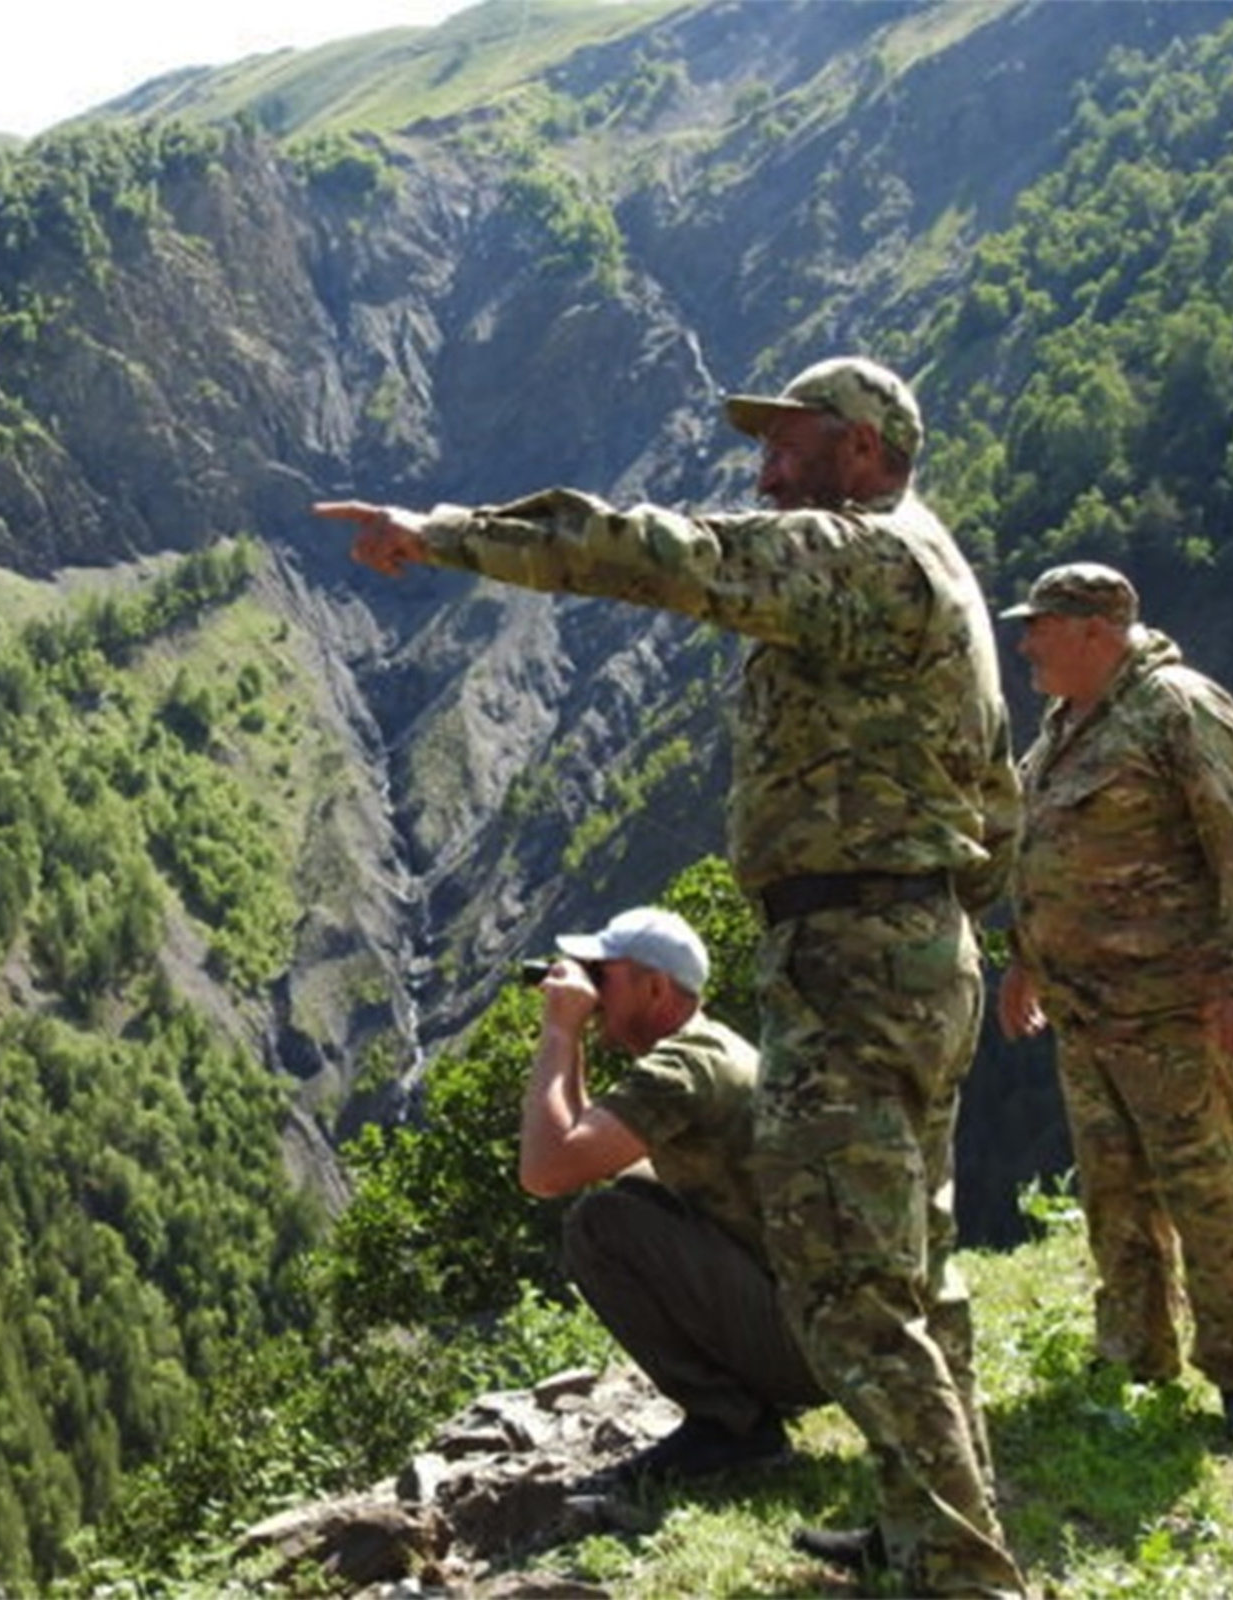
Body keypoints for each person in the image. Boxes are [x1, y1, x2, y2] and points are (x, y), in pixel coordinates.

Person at [316, 355, 1025, 1596]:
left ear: (862, 450)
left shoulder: (860, 558)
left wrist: (445, 537)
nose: (766, 470)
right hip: (912, 948)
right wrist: (944, 928)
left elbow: (662, 556)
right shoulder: (939, 574)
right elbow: (1000, 794)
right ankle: (924, 1518)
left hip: (857, 956)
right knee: (918, 1263)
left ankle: (961, 1575)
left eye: (791, 446)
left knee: (851, 1277)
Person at [995, 561, 1233, 1444]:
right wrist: (1026, 959)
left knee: (1206, 1190)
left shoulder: (1181, 709)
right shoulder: (1066, 725)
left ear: (1096, 630)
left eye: (1041, 626)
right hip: (1088, 1013)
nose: (1026, 643)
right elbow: (1041, 845)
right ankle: (1133, 1357)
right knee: (1114, 1196)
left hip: (1175, 1009)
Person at [517, 905, 827, 1485]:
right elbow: (583, 1149)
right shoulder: (707, 1048)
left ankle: (732, 1426)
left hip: (807, 1346)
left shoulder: (683, 1070)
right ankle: (742, 1410)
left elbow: (545, 1170)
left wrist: (559, 1030)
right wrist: (575, 1035)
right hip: (820, 1328)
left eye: (603, 976)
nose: (592, 989)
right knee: (631, 1187)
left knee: (600, 1225)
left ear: (655, 987)